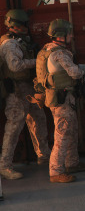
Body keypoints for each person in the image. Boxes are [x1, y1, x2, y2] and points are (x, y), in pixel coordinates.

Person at [36, 19, 85, 183]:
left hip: (61, 98)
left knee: (71, 130)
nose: (71, 35)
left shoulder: (47, 50)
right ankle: (56, 172)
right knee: (62, 134)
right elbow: (75, 73)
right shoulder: (60, 53)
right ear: (61, 35)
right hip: (61, 99)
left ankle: (72, 163)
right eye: (69, 33)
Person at [0, 9, 50, 180]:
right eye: (24, 24)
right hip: (17, 91)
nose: (27, 27)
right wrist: (39, 61)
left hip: (28, 88)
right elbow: (15, 66)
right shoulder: (10, 44)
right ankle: (5, 166)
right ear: (16, 25)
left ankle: (43, 155)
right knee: (14, 128)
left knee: (38, 120)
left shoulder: (20, 41)